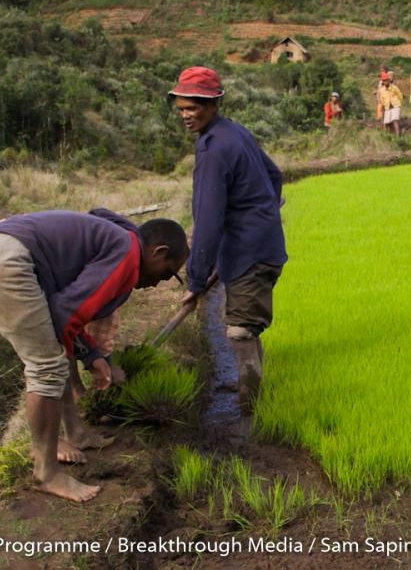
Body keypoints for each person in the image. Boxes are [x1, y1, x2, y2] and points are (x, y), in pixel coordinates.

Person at [0, 209, 188, 502]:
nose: (159, 283)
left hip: (10, 249)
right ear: (157, 251)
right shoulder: (127, 254)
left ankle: (75, 433)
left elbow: (65, 312)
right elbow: (65, 314)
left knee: (55, 355)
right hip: (10, 259)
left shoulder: (121, 241)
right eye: (167, 272)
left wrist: (92, 356)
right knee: (47, 366)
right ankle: (46, 472)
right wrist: (91, 357)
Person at [169, 66, 287, 417]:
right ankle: (249, 389)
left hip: (252, 252)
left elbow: (207, 220)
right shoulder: (234, 132)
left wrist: (195, 278)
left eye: (194, 107)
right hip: (260, 244)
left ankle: (249, 410)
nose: (187, 115)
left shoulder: (214, 150)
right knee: (243, 325)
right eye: (181, 109)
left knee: (239, 332)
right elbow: (274, 176)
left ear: (215, 102)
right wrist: (262, 215)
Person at [378, 71, 403, 137]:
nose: (385, 82)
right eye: (384, 81)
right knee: (387, 123)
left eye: (386, 80)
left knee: (395, 121)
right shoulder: (382, 90)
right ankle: (388, 136)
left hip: (395, 106)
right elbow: (382, 100)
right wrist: (384, 107)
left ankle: (398, 137)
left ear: (389, 80)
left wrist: (398, 103)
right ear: (382, 82)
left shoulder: (394, 88)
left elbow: (400, 95)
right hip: (387, 108)